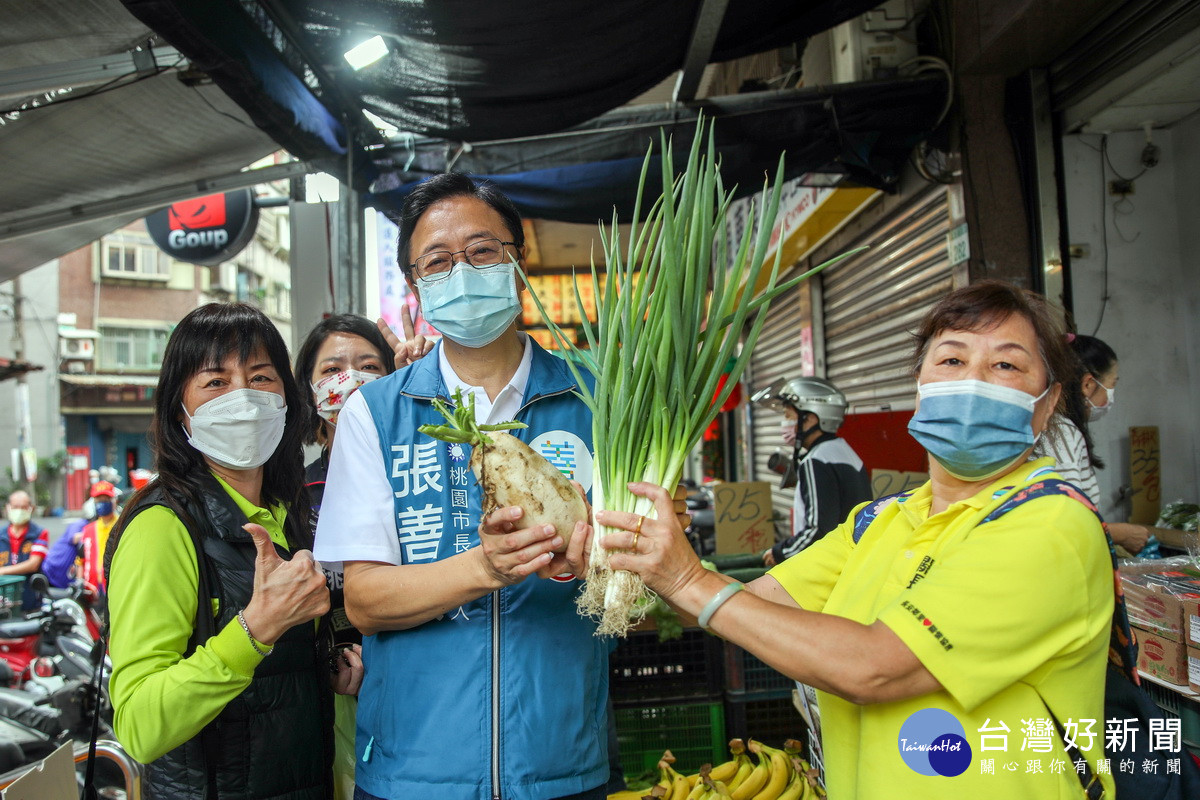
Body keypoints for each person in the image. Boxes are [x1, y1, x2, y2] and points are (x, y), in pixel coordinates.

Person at [600, 281, 1116, 799]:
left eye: (1006, 366)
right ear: (919, 385)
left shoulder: (1051, 526)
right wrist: (615, 555)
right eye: (952, 360)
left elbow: (874, 669)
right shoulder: (881, 520)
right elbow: (741, 609)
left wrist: (689, 578)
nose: (973, 382)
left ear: (1048, 405)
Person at [313, 173, 609, 800]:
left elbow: (635, 601)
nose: (462, 272)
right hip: (411, 773)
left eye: (481, 251)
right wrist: (484, 567)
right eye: (438, 261)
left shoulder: (596, 397)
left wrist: (615, 564)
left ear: (517, 261)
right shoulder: (378, 414)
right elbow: (363, 600)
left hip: (564, 764)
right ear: (415, 285)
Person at [105, 302, 362, 799]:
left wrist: (326, 664)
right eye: (215, 382)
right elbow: (139, 725)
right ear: (179, 408)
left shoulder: (288, 515)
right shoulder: (162, 526)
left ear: (288, 398)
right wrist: (257, 628)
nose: (243, 397)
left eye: (261, 377)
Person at [293, 312, 408, 800]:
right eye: (332, 369)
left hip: (417, 685)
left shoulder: (418, 480)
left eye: (369, 367)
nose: (351, 380)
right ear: (308, 392)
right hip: (334, 703)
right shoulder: (293, 496)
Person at [1035, 333, 1148, 555]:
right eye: (1112, 384)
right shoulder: (1060, 433)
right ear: (1088, 384)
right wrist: (1122, 533)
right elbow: (1064, 521)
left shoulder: (1058, 428)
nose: (1111, 395)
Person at [752, 377, 871, 566]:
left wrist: (781, 552)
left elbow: (818, 530)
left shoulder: (816, 460)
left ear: (811, 419)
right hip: (850, 562)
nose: (785, 424)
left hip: (827, 567)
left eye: (789, 416)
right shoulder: (844, 452)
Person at [0, 490, 49, 612]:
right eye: (16, 507)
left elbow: (33, 564)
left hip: (30, 597)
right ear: (8, 507)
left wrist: (2, 571)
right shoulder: (1, 534)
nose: (19, 510)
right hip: (4, 598)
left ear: (30, 508)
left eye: (23, 507)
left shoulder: (39, 533)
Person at [76, 479, 119, 597]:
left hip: (115, 587)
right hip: (92, 588)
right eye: (99, 500)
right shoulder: (88, 530)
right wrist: (80, 581)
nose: (102, 503)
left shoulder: (121, 526)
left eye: (106, 500)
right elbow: (81, 559)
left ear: (114, 501)